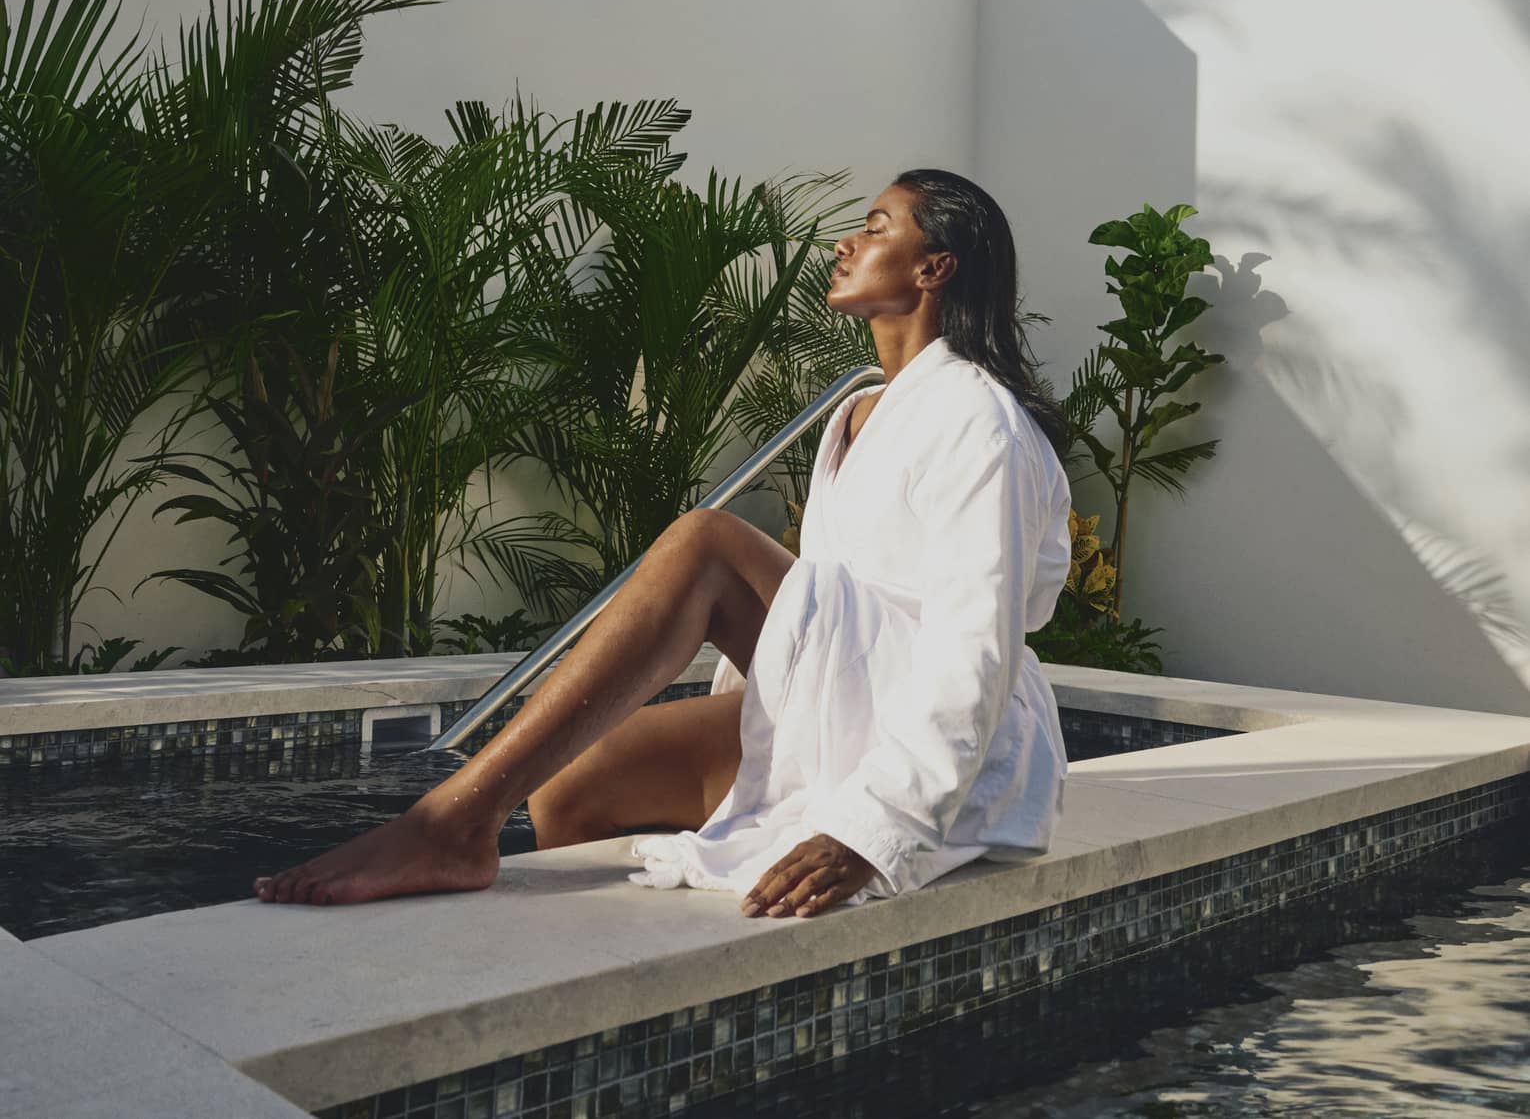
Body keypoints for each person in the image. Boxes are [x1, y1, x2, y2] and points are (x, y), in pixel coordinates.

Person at [254, 168, 1072, 917]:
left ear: (933, 269)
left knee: (704, 544)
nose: (844, 243)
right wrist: (764, 704)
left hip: (949, 748)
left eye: (876, 226)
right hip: (848, 703)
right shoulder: (861, 412)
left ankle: (448, 822)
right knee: (571, 790)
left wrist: (881, 824)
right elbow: (832, 612)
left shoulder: (977, 419)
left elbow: (977, 640)